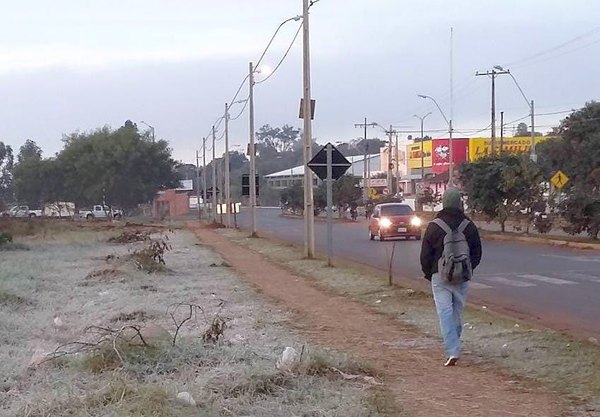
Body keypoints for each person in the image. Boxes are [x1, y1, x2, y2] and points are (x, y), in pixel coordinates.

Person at [420, 187, 482, 366]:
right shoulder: (468, 226)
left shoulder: (434, 226)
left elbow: (425, 255)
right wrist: (469, 268)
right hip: (462, 275)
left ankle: (452, 349)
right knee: (457, 311)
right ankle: (454, 344)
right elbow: (477, 251)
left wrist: (429, 273)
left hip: (439, 276)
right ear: (460, 203)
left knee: (444, 312)